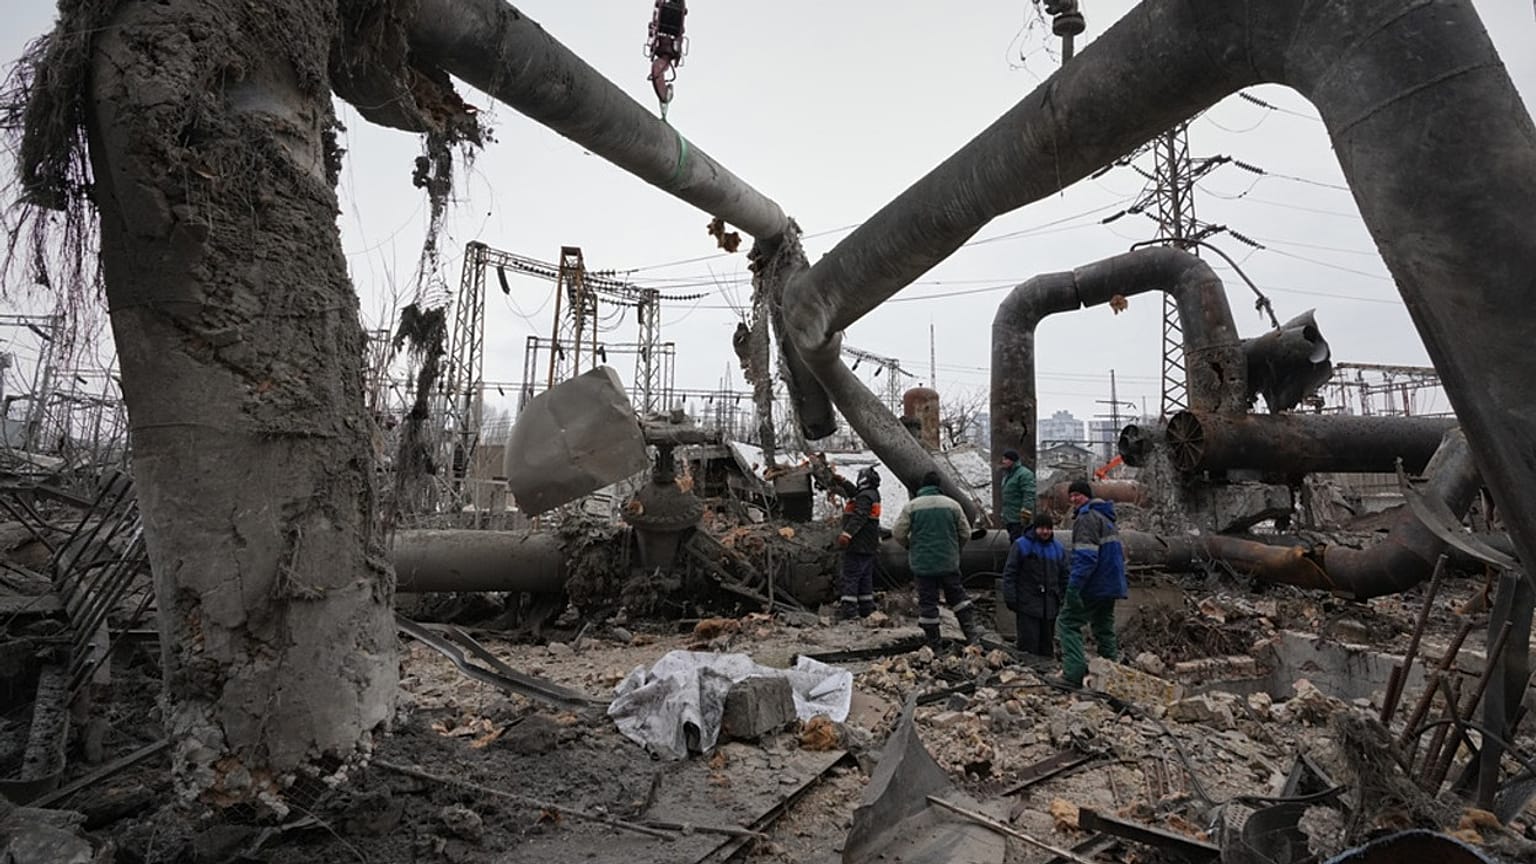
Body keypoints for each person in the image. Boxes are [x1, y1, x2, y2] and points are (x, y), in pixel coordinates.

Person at [893, 470, 981, 648]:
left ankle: (935, 645)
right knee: (958, 598)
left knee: (928, 604)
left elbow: (898, 533)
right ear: (938, 486)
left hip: (923, 565)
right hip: (948, 562)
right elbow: (965, 533)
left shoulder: (912, 507)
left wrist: (910, 546)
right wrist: (955, 548)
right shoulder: (953, 505)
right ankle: (972, 637)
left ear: (923, 487)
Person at [1056, 479, 1127, 688]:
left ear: (1087, 496)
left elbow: (1086, 556)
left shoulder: (1086, 518)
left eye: (1078, 495)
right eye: (1071, 495)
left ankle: (1073, 674)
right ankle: (1110, 674)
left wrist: (1074, 585)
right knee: (1103, 627)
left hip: (1095, 584)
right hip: (1112, 584)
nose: (1073, 499)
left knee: (1068, 622)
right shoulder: (1106, 518)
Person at [1001, 512, 1067, 657]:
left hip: (1049, 607)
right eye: (1042, 528)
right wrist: (1010, 597)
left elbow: (1064, 576)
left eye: (1048, 528)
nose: (1045, 532)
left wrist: (1063, 598)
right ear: (1035, 528)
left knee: (1046, 646)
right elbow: (1010, 572)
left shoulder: (1058, 548)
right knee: (1028, 646)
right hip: (1027, 605)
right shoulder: (1022, 545)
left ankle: (1046, 674)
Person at [835, 466, 882, 619]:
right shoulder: (871, 494)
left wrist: (847, 534)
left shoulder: (865, 497)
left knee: (851, 576)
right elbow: (855, 494)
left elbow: (859, 515)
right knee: (865, 577)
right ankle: (866, 609)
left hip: (858, 543)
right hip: (869, 544)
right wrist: (844, 482)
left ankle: (849, 611)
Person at [998, 449, 1036, 542]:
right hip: (1010, 517)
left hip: (1018, 519)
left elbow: (1029, 494)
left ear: (1012, 461)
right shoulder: (1008, 475)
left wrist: (1025, 514)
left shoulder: (1024, 474)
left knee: (1020, 543)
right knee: (1014, 541)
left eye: (1006, 459)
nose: (1003, 462)